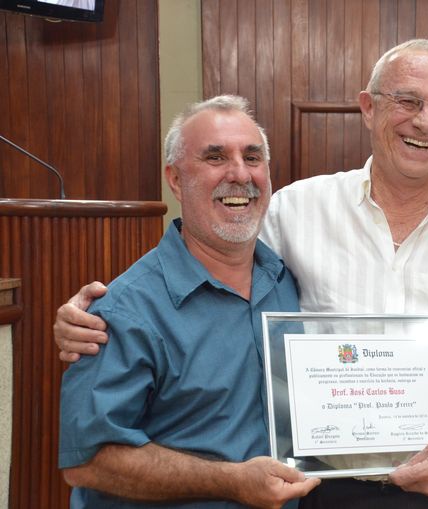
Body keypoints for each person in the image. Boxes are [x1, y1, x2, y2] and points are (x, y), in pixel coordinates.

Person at [54, 39, 428, 508]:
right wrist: (95, 315)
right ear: (368, 107)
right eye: (407, 100)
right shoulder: (296, 210)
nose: (424, 121)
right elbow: (212, 256)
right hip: (322, 489)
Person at [58, 95, 320, 508]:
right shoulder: (123, 311)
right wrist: (230, 481)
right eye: (215, 157)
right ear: (176, 179)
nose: (239, 173)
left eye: (252, 157)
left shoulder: (287, 280)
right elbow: (88, 461)